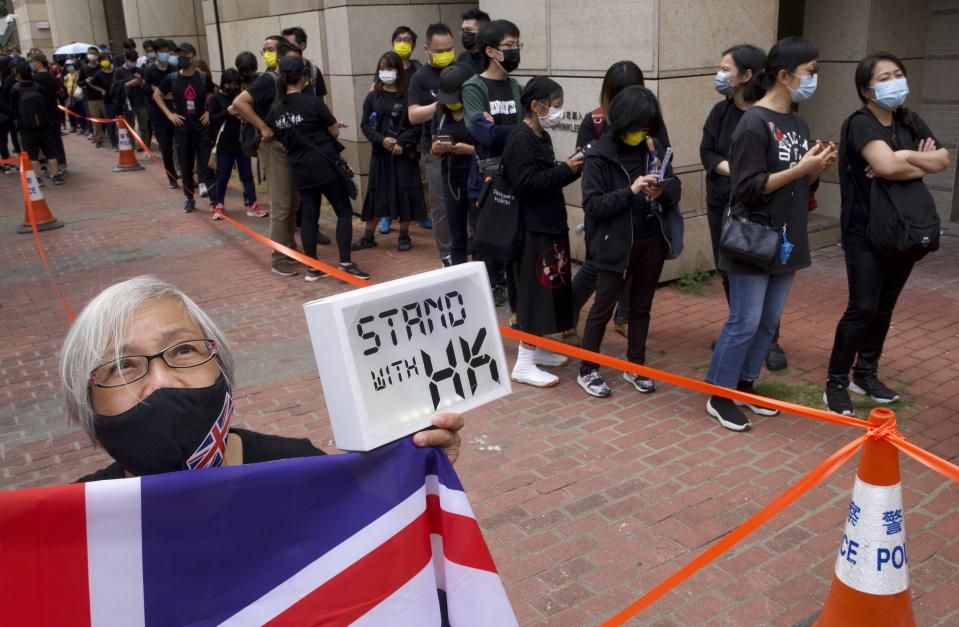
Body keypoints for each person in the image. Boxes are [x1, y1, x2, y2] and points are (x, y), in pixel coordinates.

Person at [59, 276, 462, 482]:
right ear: (85, 405)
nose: (162, 381)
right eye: (122, 366)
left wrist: (415, 466)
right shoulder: (69, 527)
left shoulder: (300, 469)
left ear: (223, 367)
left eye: (183, 350)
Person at [705, 37, 837, 431]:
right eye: (811, 71)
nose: (815, 79)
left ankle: (745, 387)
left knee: (768, 321)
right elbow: (747, 187)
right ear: (784, 75)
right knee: (744, 319)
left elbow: (799, 188)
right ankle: (719, 393)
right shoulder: (753, 122)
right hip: (753, 237)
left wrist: (816, 170)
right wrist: (800, 170)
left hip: (787, 238)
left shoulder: (797, 123)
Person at [823, 52, 949, 416]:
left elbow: (940, 160)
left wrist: (903, 159)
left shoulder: (909, 121)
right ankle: (835, 382)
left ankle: (866, 374)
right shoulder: (861, 123)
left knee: (884, 307)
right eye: (885, 77)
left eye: (899, 74)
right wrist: (911, 160)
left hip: (904, 230)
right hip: (865, 231)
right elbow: (884, 165)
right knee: (862, 307)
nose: (895, 82)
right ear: (866, 88)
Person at [577, 86, 682, 398]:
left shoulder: (654, 146)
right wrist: (631, 190)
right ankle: (588, 369)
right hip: (613, 244)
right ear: (622, 123)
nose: (643, 132)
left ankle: (636, 365)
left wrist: (663, 191)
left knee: (641, 307)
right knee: (603, 307)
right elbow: (593, 205)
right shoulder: (599, 155)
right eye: (637, 127)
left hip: (652, 239)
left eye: (647, 126)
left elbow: (675, 185)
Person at [570, 60, 673, 339]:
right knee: (596, 269)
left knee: (636, 267)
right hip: (608, 212)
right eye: (620, 94)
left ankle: (624, 316)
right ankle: (567, 314)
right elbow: (585, 171)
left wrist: (659, 185)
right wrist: (624, 187)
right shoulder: (595, 120)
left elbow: (664, 161)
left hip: (640, 216)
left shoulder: (649, 121)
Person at [501, 76, 583, 387]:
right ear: (536, 106)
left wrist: (569, 170)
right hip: (531, 227)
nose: (558, 113)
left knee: (551, 289)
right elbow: (525, 184)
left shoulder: (540, 135)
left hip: (548, 223)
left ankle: (537, 350)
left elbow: (545, 177)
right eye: (555, 107)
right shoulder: (519, 139)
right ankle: (524, 361)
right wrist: (564, 171)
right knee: (535, 293)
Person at [267, 56, 369, 281]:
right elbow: (333, 131)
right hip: (324, 165)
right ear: (303, 78)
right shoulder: (312, 102)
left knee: (309, 216)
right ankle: (345, 263)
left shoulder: (276, 109)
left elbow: (280, 134)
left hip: (299, 168)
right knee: (343, 211)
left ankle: (313, 268)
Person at [232, 37, 317, 277]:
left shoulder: (294, 83)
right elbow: (239, 102)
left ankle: (289, 247)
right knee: (281, 205)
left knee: (294, 202)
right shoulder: (268, 81)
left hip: (293, 147)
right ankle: (279, 257)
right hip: (274, 148)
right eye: (291, 61)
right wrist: (263, 128)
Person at [462, 19, 525, 308]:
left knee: (514, 241)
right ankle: (487, 292)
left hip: (518, 177)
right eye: (508, 46)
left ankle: (510, 291)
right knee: (488, 241)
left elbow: (517, 134)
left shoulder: (516, 88)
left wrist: (501, 129)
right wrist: (521, 130)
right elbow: (482, 133)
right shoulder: (474, 88)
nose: (514, 51)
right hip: (486, 180)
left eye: (517, 45)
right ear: (490, 51)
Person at [701, 44, 766, 303]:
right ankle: (738, 325)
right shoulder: (720, 111)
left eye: (725, 69)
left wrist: (740, 173)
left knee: (756, 270)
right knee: (726, 269)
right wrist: (737, 170)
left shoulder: (765, 115)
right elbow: (707, 152)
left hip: (754, 208)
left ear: (746, 75)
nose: (720, 74)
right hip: (721, 203)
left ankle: (765, 337)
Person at [353, 51, 427, 252]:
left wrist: (402, 142)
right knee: (378, 195)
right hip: (381, 154)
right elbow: (365, 125)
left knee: (406, 192)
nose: (385, 72)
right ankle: (368, 236)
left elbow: (418, 126)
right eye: (382, 68)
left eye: (390, 68)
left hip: (404, 154)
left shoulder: (409, 96)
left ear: (399, 71)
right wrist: (382, 140)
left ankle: (404, 235)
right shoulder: (372, 96)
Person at [408, 22, 467, 266]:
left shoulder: (463, 70)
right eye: (440, 50)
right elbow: (413, 115)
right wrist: (441, 103)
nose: (445, 54)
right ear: (427, 49)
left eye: (449, 49)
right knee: (441, 205)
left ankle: (469, 249)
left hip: (466, 146)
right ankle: (447, 255)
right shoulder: (420, 77)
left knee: (470, 200)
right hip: (435, 149)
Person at [153, 42, 216, 213]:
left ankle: (214, 199)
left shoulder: (203, 77)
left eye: (185, 55)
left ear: (194, 57)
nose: (181, 58)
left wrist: (210, 111)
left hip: (202, 128)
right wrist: (169, 114)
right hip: (183, 130)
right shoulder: (172, 78)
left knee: (207, 165)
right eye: (179, 55)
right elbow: (157, 94)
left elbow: (215, 94)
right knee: (186, 166)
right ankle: (189, 197)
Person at [431, 64, 476, 265]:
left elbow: (492, 147)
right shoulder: (440, 113)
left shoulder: (477, 111)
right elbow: (431, 148)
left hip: (477, 179)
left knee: (480, 233)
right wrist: (437, 149)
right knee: (457, 235)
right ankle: (459, 273)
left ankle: (489, 280)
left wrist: (469, 149)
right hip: (451, 181)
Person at [209, 68, 267, 220]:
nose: (232, 87)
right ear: (224, 83)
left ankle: (252, 204)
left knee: (247, 175)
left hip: (242, 142)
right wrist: (227, 112)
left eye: (236, 84)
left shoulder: (241, 95)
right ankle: (218, 205)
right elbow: (213, 119)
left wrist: (243, 114)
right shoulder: (216, 97)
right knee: (223, 176)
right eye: (229, 84)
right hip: (225, 143)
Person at [10, 64, 63, 184]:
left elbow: (13, 109)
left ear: (18, 75)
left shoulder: (15, 89)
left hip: (26, 126)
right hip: (44, 124)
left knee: (32, 154)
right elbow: (48, 105)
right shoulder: (39, 87)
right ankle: (56, 176)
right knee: (50, 150)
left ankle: (37, 179)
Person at [144, 39, 179, 187]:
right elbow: (148, 92)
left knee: (180, 145)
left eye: (167, 51)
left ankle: (186, 173)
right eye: (161, 51)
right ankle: (171, 176)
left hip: (176, 112)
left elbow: (176, 90)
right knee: (165, 148)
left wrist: (158, 91)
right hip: (158, 116)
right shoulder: (150, 71)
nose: (165, 54)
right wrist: (164, 95)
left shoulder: (173, 69)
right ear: (156, 53)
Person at [28, 53, 66, 175]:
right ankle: (62, 163)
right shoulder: (51, 77)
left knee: (49, 143)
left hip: (44, 114)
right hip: (54, 111)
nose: (32, 64)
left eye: (33, 62)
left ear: (39, 62)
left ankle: (55, 169)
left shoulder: (36, 79)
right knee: (57, 139)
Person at [115, 49, 152, 152]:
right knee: (129, 125)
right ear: (125, 59)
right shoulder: (118, 71)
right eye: (131, 60)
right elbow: (116, 87)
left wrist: (140, 80)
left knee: (143, 124)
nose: (133, 62)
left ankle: (145, 146)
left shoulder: (139, 70)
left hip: (140, 101)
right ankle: (130, 146)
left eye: (135, 60)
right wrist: (130, 83)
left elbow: (145, 85)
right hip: (127, 103)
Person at [281, 26, 328, 99]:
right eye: (284, 46)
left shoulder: (313, 71)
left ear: (302, 45)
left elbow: (320, 100)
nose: (286, 49)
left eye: (290, 45)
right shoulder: (279, 69)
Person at [85, 51, 118, 149]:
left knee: (121, 122)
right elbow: (91, 83)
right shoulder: (98, 74)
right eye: (103, 60)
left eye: (107, 60)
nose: (105, 62)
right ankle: (114, 143)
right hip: (107, 101)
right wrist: (101, 90)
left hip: (118, 100)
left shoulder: (116, 71)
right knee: (110, 122)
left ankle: (122, 140)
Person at [456, 8, 491, 74]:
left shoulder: (492, 62)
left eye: (468, 29)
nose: (463, 34)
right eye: (463, 30)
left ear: (482, 32)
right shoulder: (462, 57)